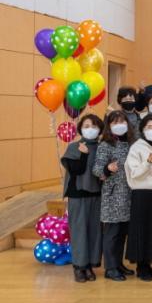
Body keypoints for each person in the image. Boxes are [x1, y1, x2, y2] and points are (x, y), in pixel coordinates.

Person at [60, 113, 104, 282]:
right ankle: (79, 266)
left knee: (94, 231)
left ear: (100, 129)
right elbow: (76, 170)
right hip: (78, 195)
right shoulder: (74, 147)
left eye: (94, 126)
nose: (90, 129)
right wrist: (84, 154)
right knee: (79, 231)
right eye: (86, 126)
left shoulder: (102, 147)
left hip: (97, 194)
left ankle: (90, 265)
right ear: (80, 129)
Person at [91, 110, 134, 281]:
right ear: (109, 126)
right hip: (112, 195)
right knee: (112, 234)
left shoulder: (130, 143)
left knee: (122, 233)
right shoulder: (105, 145)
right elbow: (96, 169)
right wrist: (107, 169)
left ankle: (118, 264)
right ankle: (110, 268)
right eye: (115, 122)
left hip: (128, 195)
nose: (119, 125)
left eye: (122, 122)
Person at [124, 114, 152, 281]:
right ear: (142, 129)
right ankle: (141, 267)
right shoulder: (136, 147)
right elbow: (134, 173)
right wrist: (147, 163)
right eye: (149, 127)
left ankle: (148, 263)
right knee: (141, 229)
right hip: (141, 193)